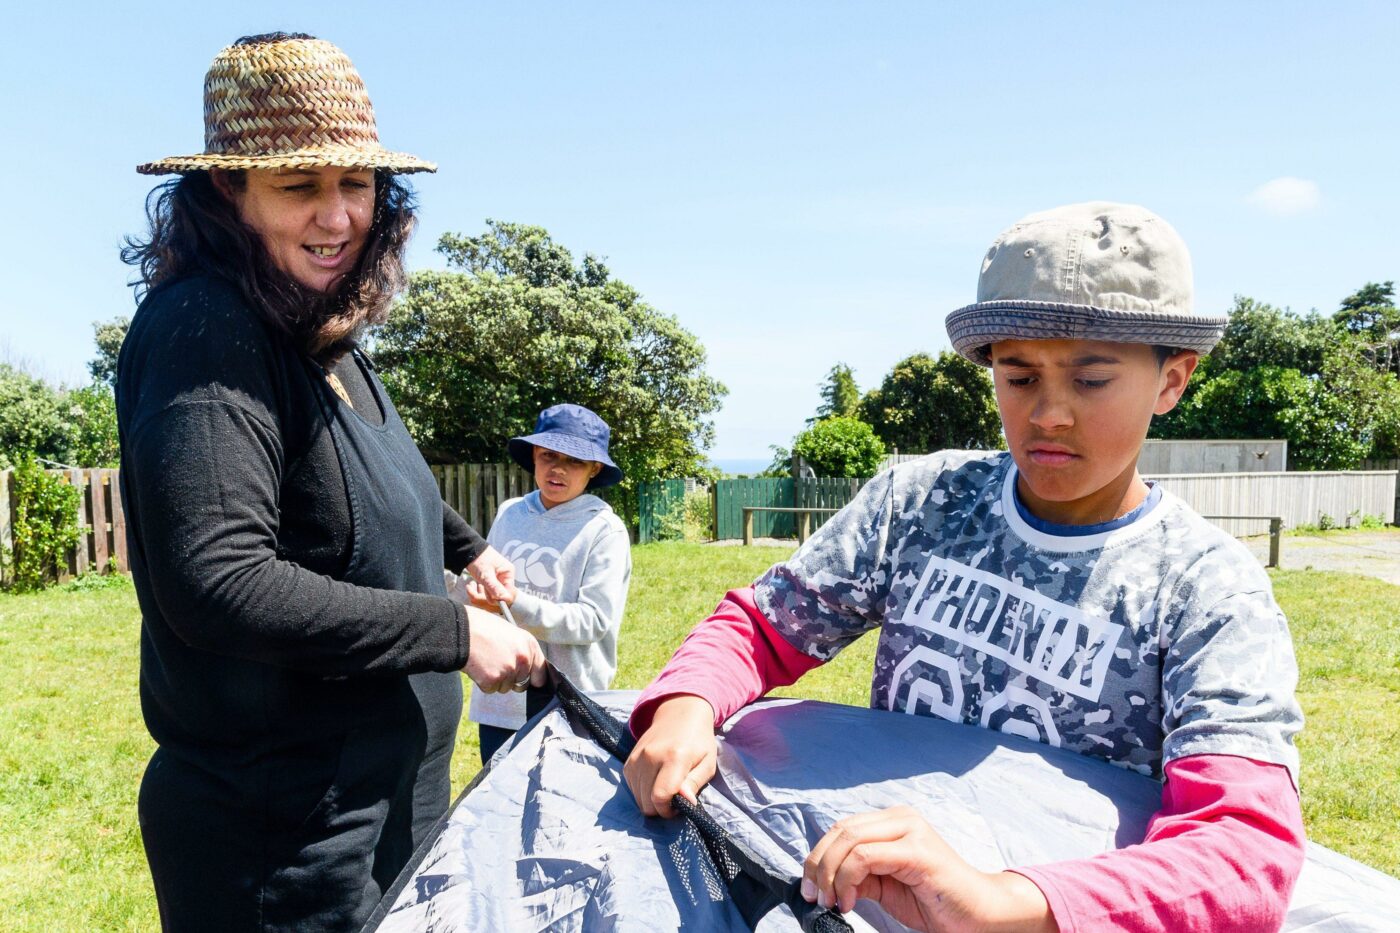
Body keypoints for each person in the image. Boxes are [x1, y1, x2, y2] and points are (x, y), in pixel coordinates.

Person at [624, 202, 1306, 932]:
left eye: (1091, 380)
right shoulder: (921, 502)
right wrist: (686, 704)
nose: (1048, 414)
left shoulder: (1207, 589)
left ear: (1172, 380)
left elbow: (1243, 847)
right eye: (1018, 377)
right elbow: (762, 626)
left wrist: (1005, 904)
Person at [118, 33, 546, 932]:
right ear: (226, 192)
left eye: (354, 183)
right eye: (299, 186)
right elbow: (220, 583)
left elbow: (378, 481)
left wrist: (462, 549)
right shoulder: (205, 327)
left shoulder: (321, 331)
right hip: (286, 845)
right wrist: (451, 630)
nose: (338, 216)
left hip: (384, 810)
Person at [448, 404, 632, 763]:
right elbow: (480, 585)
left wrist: (514, 603)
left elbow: (592, 621)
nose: (558, 468)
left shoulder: (604, 530)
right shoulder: (510, 513)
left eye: (575, 461)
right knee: (499, 809)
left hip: (568, 705)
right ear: (533, 454)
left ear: (595, 469)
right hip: (500, 700)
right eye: (548, 455)